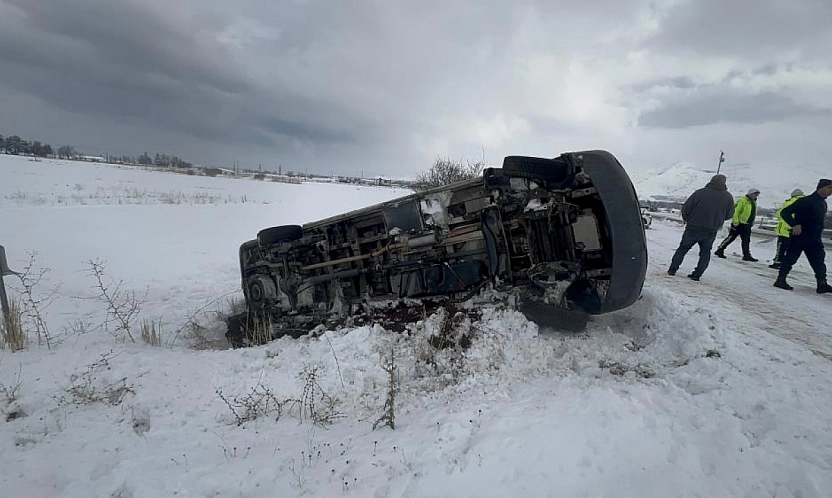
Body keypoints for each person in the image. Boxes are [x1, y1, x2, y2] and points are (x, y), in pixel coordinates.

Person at [667, 174, 735, 281]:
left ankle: (673, 269)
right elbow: (729, 214)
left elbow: (686, 208)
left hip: (693, 226)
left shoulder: (700, 193)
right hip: (711, 229)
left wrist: (687, 219)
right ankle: (697, 274)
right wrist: (718, 220)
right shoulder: (728, 197)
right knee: (705, 253)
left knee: (683, 248)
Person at [773, 179, 832, 293]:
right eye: (830, 188)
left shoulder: (823, 203)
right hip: (800, 236)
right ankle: (780, 280)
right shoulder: (805, 201)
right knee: (790, 258)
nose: (831, 191)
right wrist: (794, 224)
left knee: (818, 260)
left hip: (814, 238)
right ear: (821, 187)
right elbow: (784, 212)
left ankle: (822, 284)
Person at [714, 188, 760, 261]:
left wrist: (751, 222)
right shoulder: (743, 201)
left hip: (747, 224)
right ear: (750, 194)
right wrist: (735, 222)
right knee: (731, 238)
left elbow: (752, 214)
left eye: (757, 194)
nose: (756, 196)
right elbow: (736, 212)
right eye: (755, 194)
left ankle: (746, 255)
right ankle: (720, 249)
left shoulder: (753, 202)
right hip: (739, 224)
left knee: (746, 240)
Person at [769, 189, 805, 269]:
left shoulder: (790, 202)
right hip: (796, 230)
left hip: (785, 229)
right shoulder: (805, 203)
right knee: (791, 248)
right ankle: (787, 263)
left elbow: (780, 213)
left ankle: (778, 262)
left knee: (781, 247)